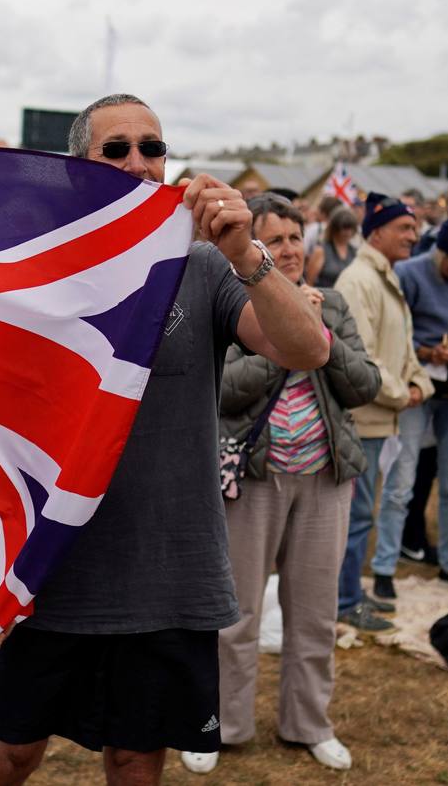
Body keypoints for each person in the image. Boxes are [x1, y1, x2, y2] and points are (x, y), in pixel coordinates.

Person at [0, 94, 329, 786]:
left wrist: (245, 253)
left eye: (152, 147)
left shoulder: (202, 266)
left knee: (135, 761)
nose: (137, 161)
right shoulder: (39, 270)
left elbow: (305, 349)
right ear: (79, 169)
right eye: (116, 149)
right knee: (7, 755)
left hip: (169, 572)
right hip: (58, 565)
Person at [184, 194, 379, 774]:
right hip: (254, 480)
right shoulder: (230, 302)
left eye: (297, 237)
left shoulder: (334, 302)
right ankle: (222, 725)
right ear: (253, 245)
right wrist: (287, 336)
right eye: (277, 238)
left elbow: (364, 384)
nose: (290, 249)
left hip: (325, 480)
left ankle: (309, 723)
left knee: (316, 613)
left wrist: (316, 326)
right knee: (237, 613)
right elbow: (220, 389)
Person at [333, 193, 432, 623]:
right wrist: (401, 394)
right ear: (377, 232)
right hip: (365, 418)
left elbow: (402, 349)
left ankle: (352, 592)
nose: (414, 235)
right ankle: (344, 602)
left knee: (361, 516)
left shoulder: (383, 277)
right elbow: (360, 357)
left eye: (414, 228)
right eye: (404, 228)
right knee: (354, 519)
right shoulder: (359, 282)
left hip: (382, 417)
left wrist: (418, 383)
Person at [386, 226, 448, 584]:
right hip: (416, 385)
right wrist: (428, 352)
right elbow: (397, 331)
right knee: (402, 479)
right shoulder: (410, 273)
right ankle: (388, 564)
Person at [305, 205, 359, 287]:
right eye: (344, 227)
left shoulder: (355, 252)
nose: (348, 232)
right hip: (324, 296)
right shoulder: (321, 251)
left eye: (350, 228)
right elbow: (309, 283)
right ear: (335, 228)